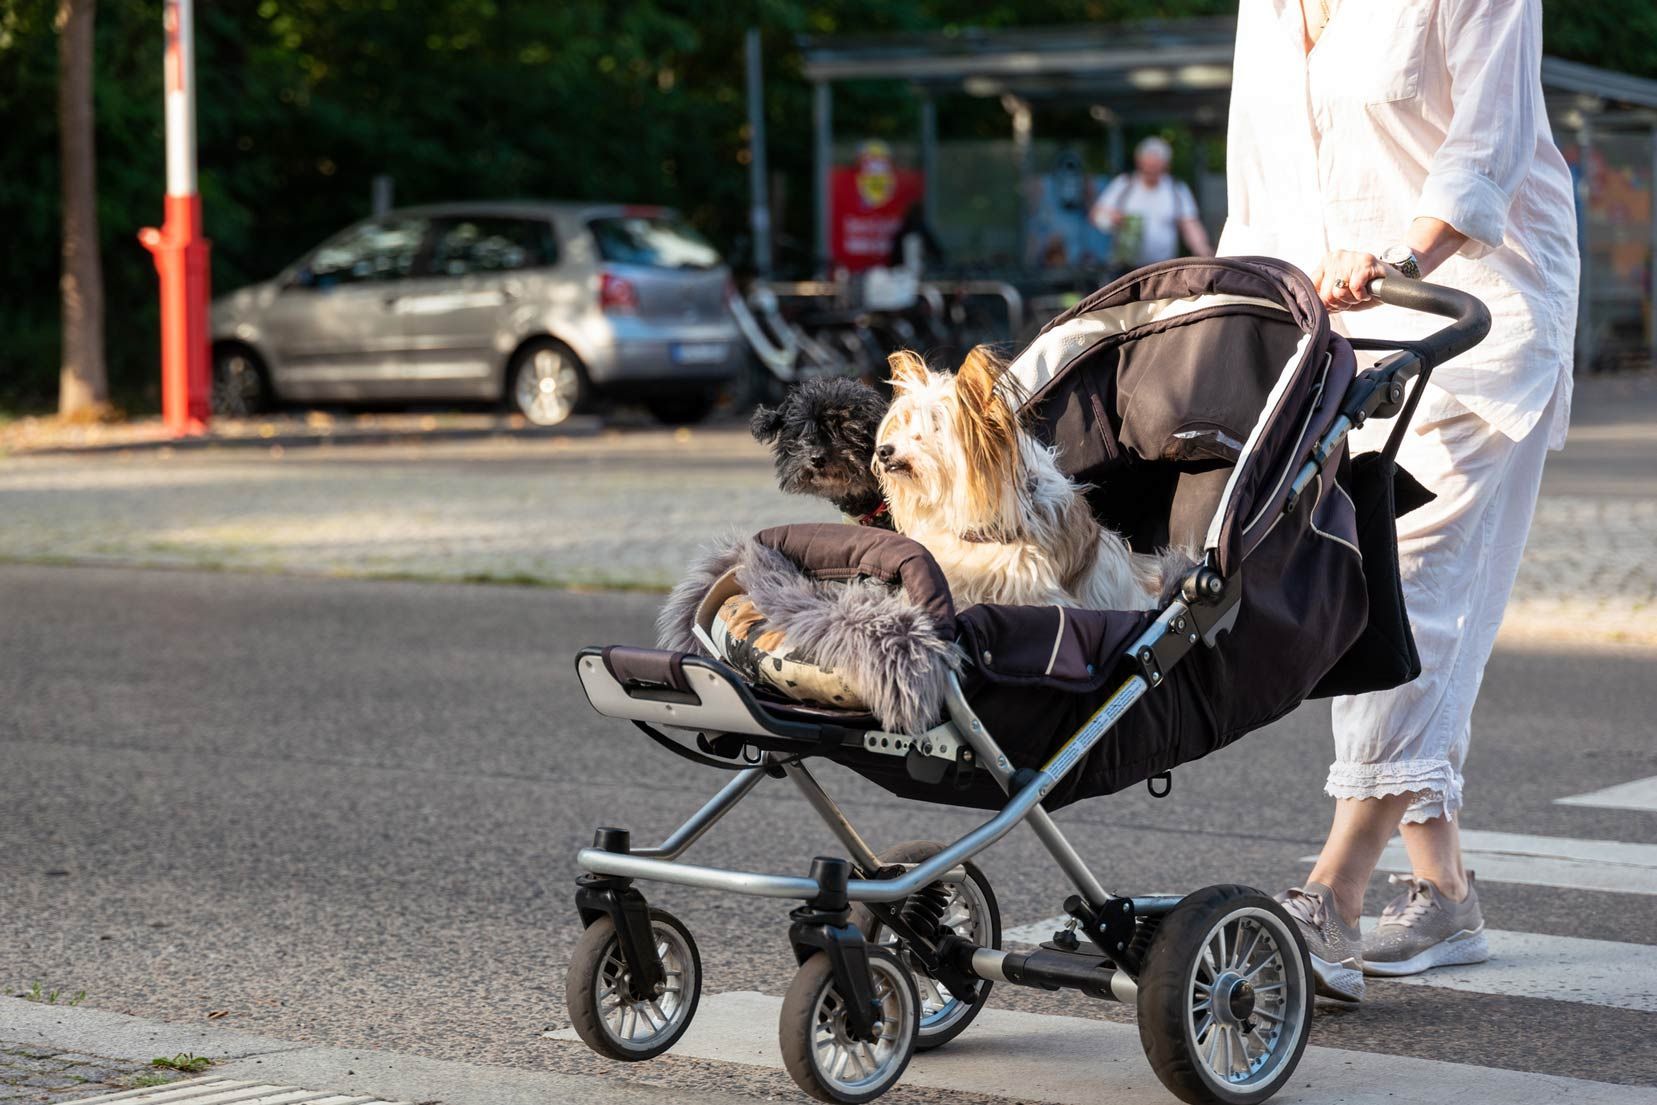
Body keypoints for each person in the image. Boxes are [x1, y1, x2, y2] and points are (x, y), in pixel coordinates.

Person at [1219, 0, 1578, 1001]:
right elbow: (1263, 182)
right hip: (1339, 338)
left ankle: (1330, 895)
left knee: (1410, 586)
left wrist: (1400, 259)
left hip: (1474, 320)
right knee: (1361, 578)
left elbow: (1488, 150)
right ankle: (1443, 890)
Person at [1089, 137, 1213, 267]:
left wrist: (1203, 250)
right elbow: (1096, 215)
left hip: (1163, 268)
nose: (1151, 170)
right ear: (1139, 162)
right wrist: (1111, 219)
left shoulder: (1176, 189)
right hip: (1125, 268)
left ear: (1166, 165)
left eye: (1156, 167)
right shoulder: (1124, 184)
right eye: (1148, 166)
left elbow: (1189, 224)